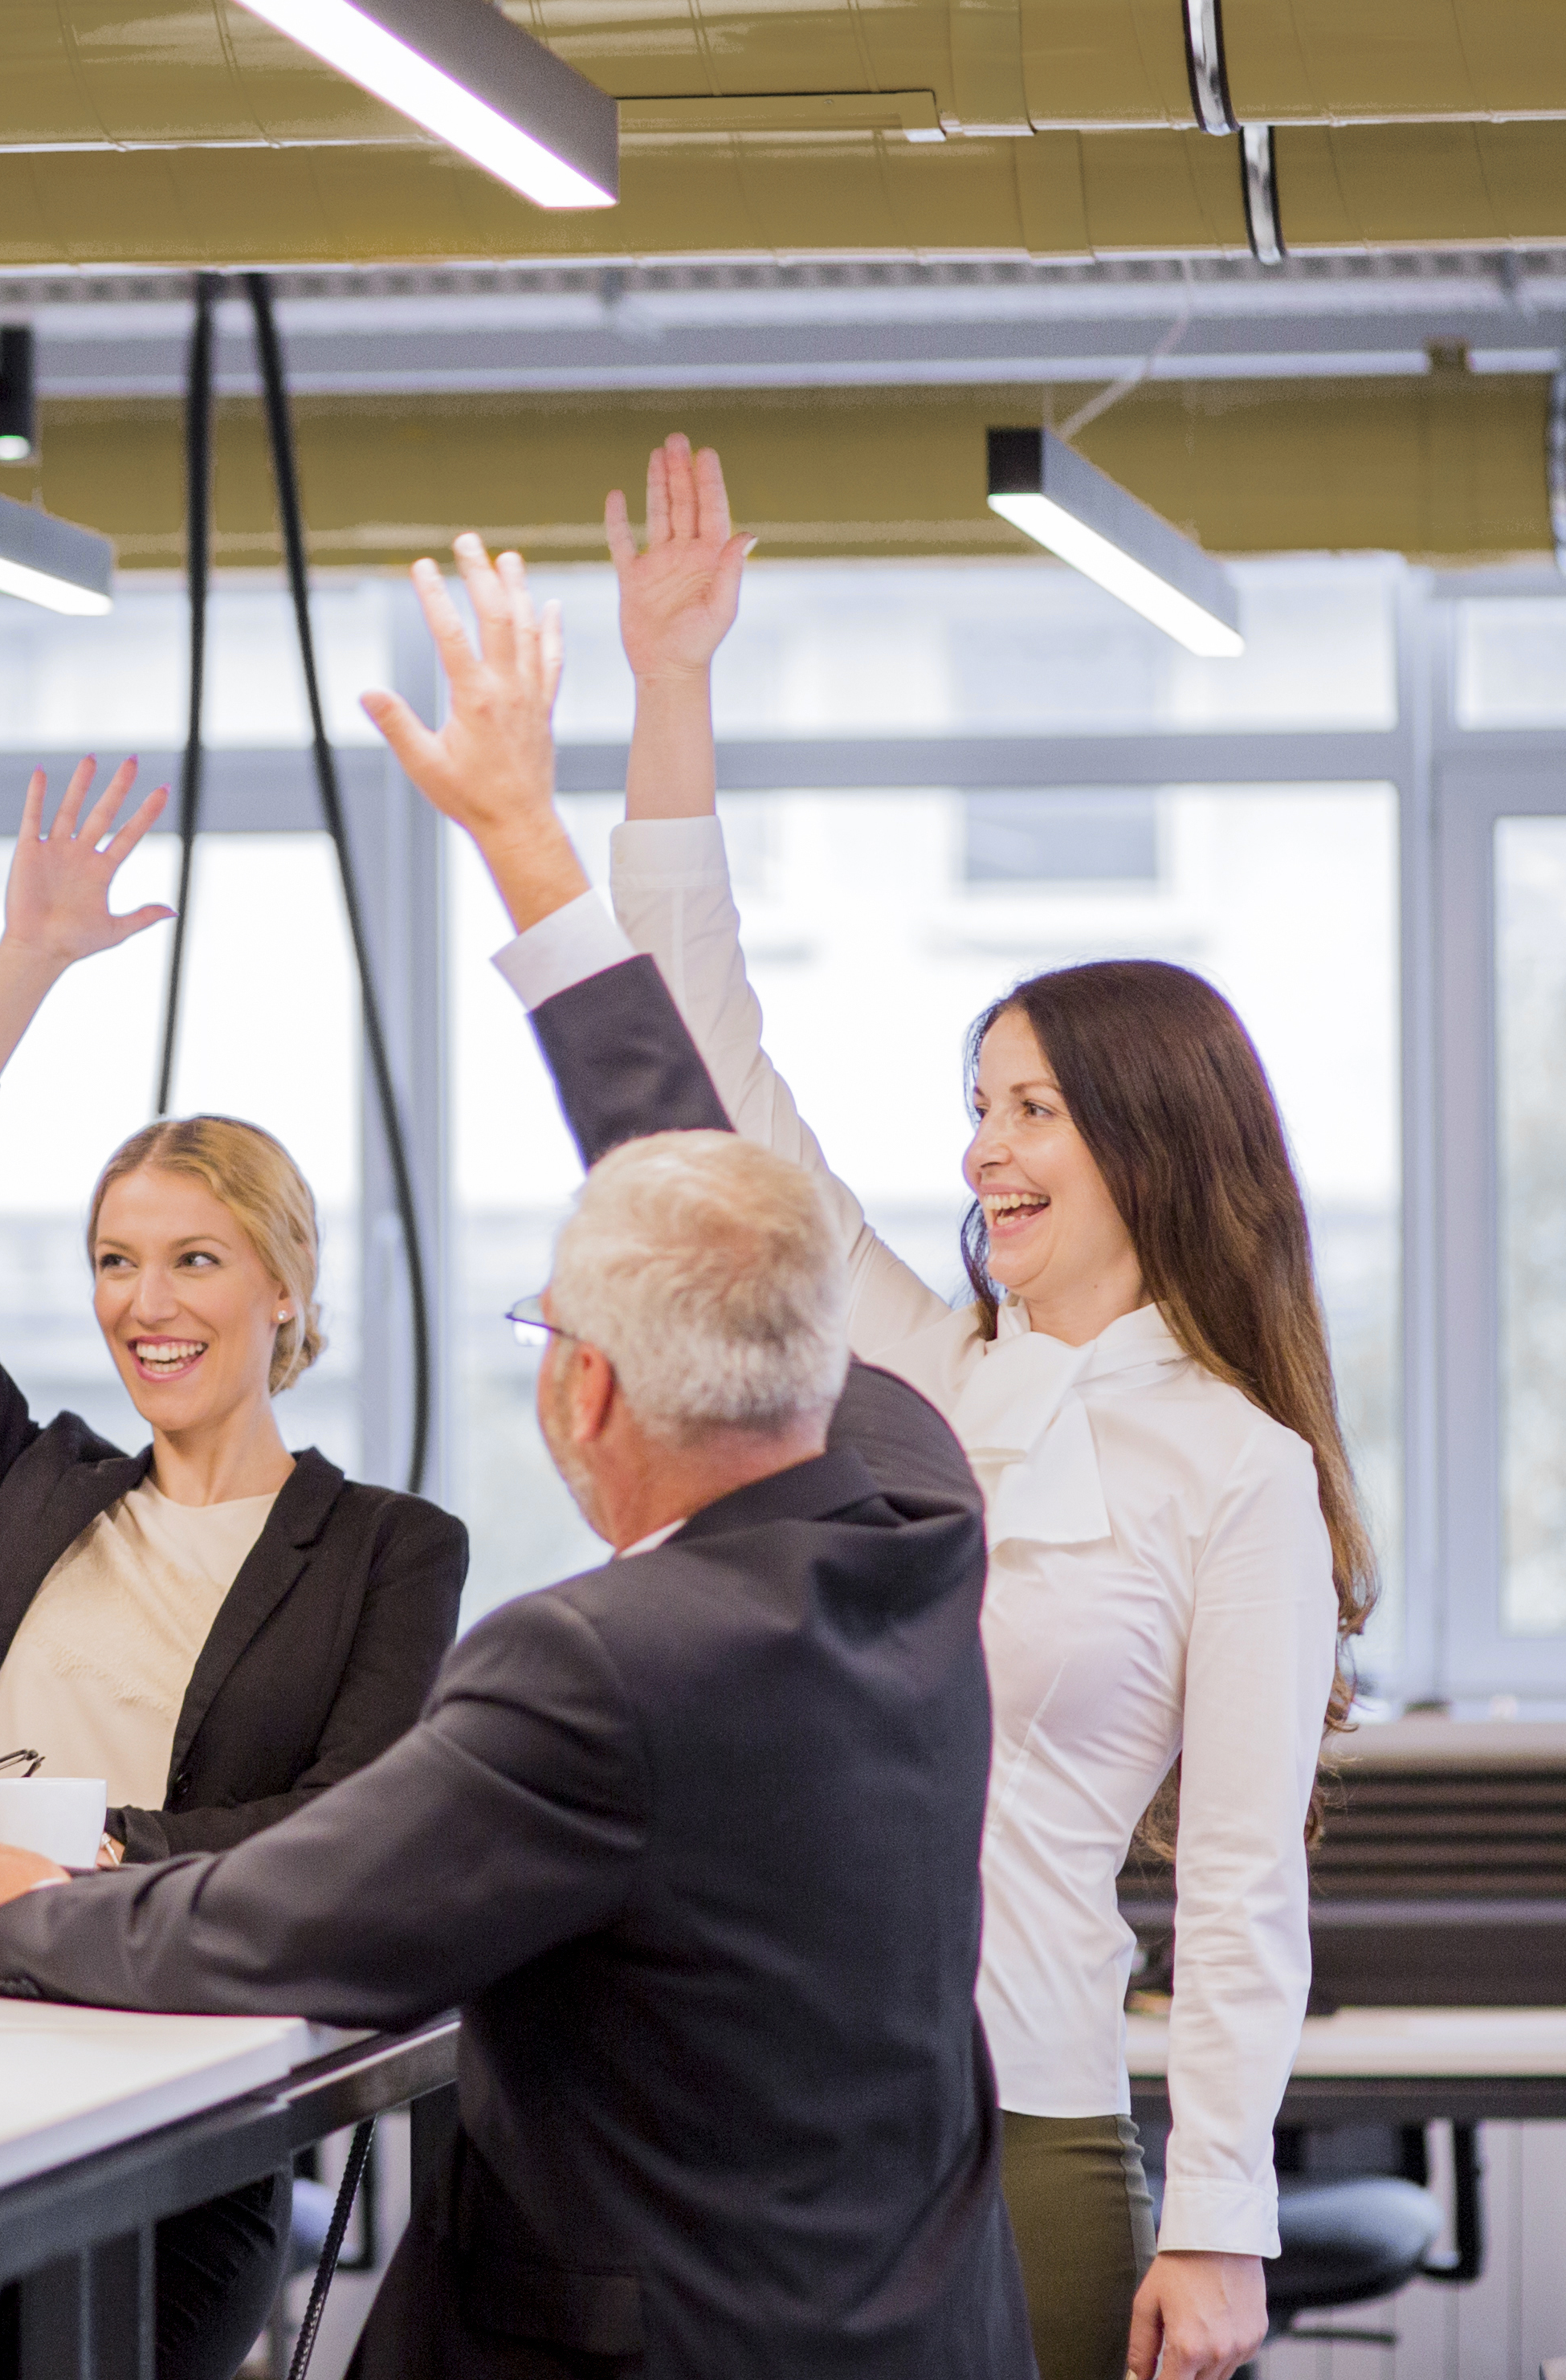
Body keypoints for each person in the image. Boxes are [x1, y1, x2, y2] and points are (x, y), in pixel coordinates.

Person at [399, 440, 1355, 2380]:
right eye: (978, 1103)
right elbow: (705, 1068)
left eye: (1034, 1110)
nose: (983, 1152)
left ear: (1158, 1143)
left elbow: (1250, 1884)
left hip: (1038, 2127)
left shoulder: (1235, 1466)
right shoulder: (921, 1376)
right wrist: (676, 692)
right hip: (801, 2125)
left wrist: (1226, 2226)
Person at [0, 1069, 1028, 2369]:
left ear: (591, 1390)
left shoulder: (596, 1661)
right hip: (919, 2325)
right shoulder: (923, 1543)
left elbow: (304, 1920)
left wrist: (23, 1913)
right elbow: (826, 1356)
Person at [0, 758, 467, 2380]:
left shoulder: (390, 1547)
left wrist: (87, 1850)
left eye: (195, 1258)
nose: (147, 1303)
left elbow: (349, 1821)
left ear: (282, 1287)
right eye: (118, 1261)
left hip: (170, 2095)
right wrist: (26, 962)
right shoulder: (37, 1489)